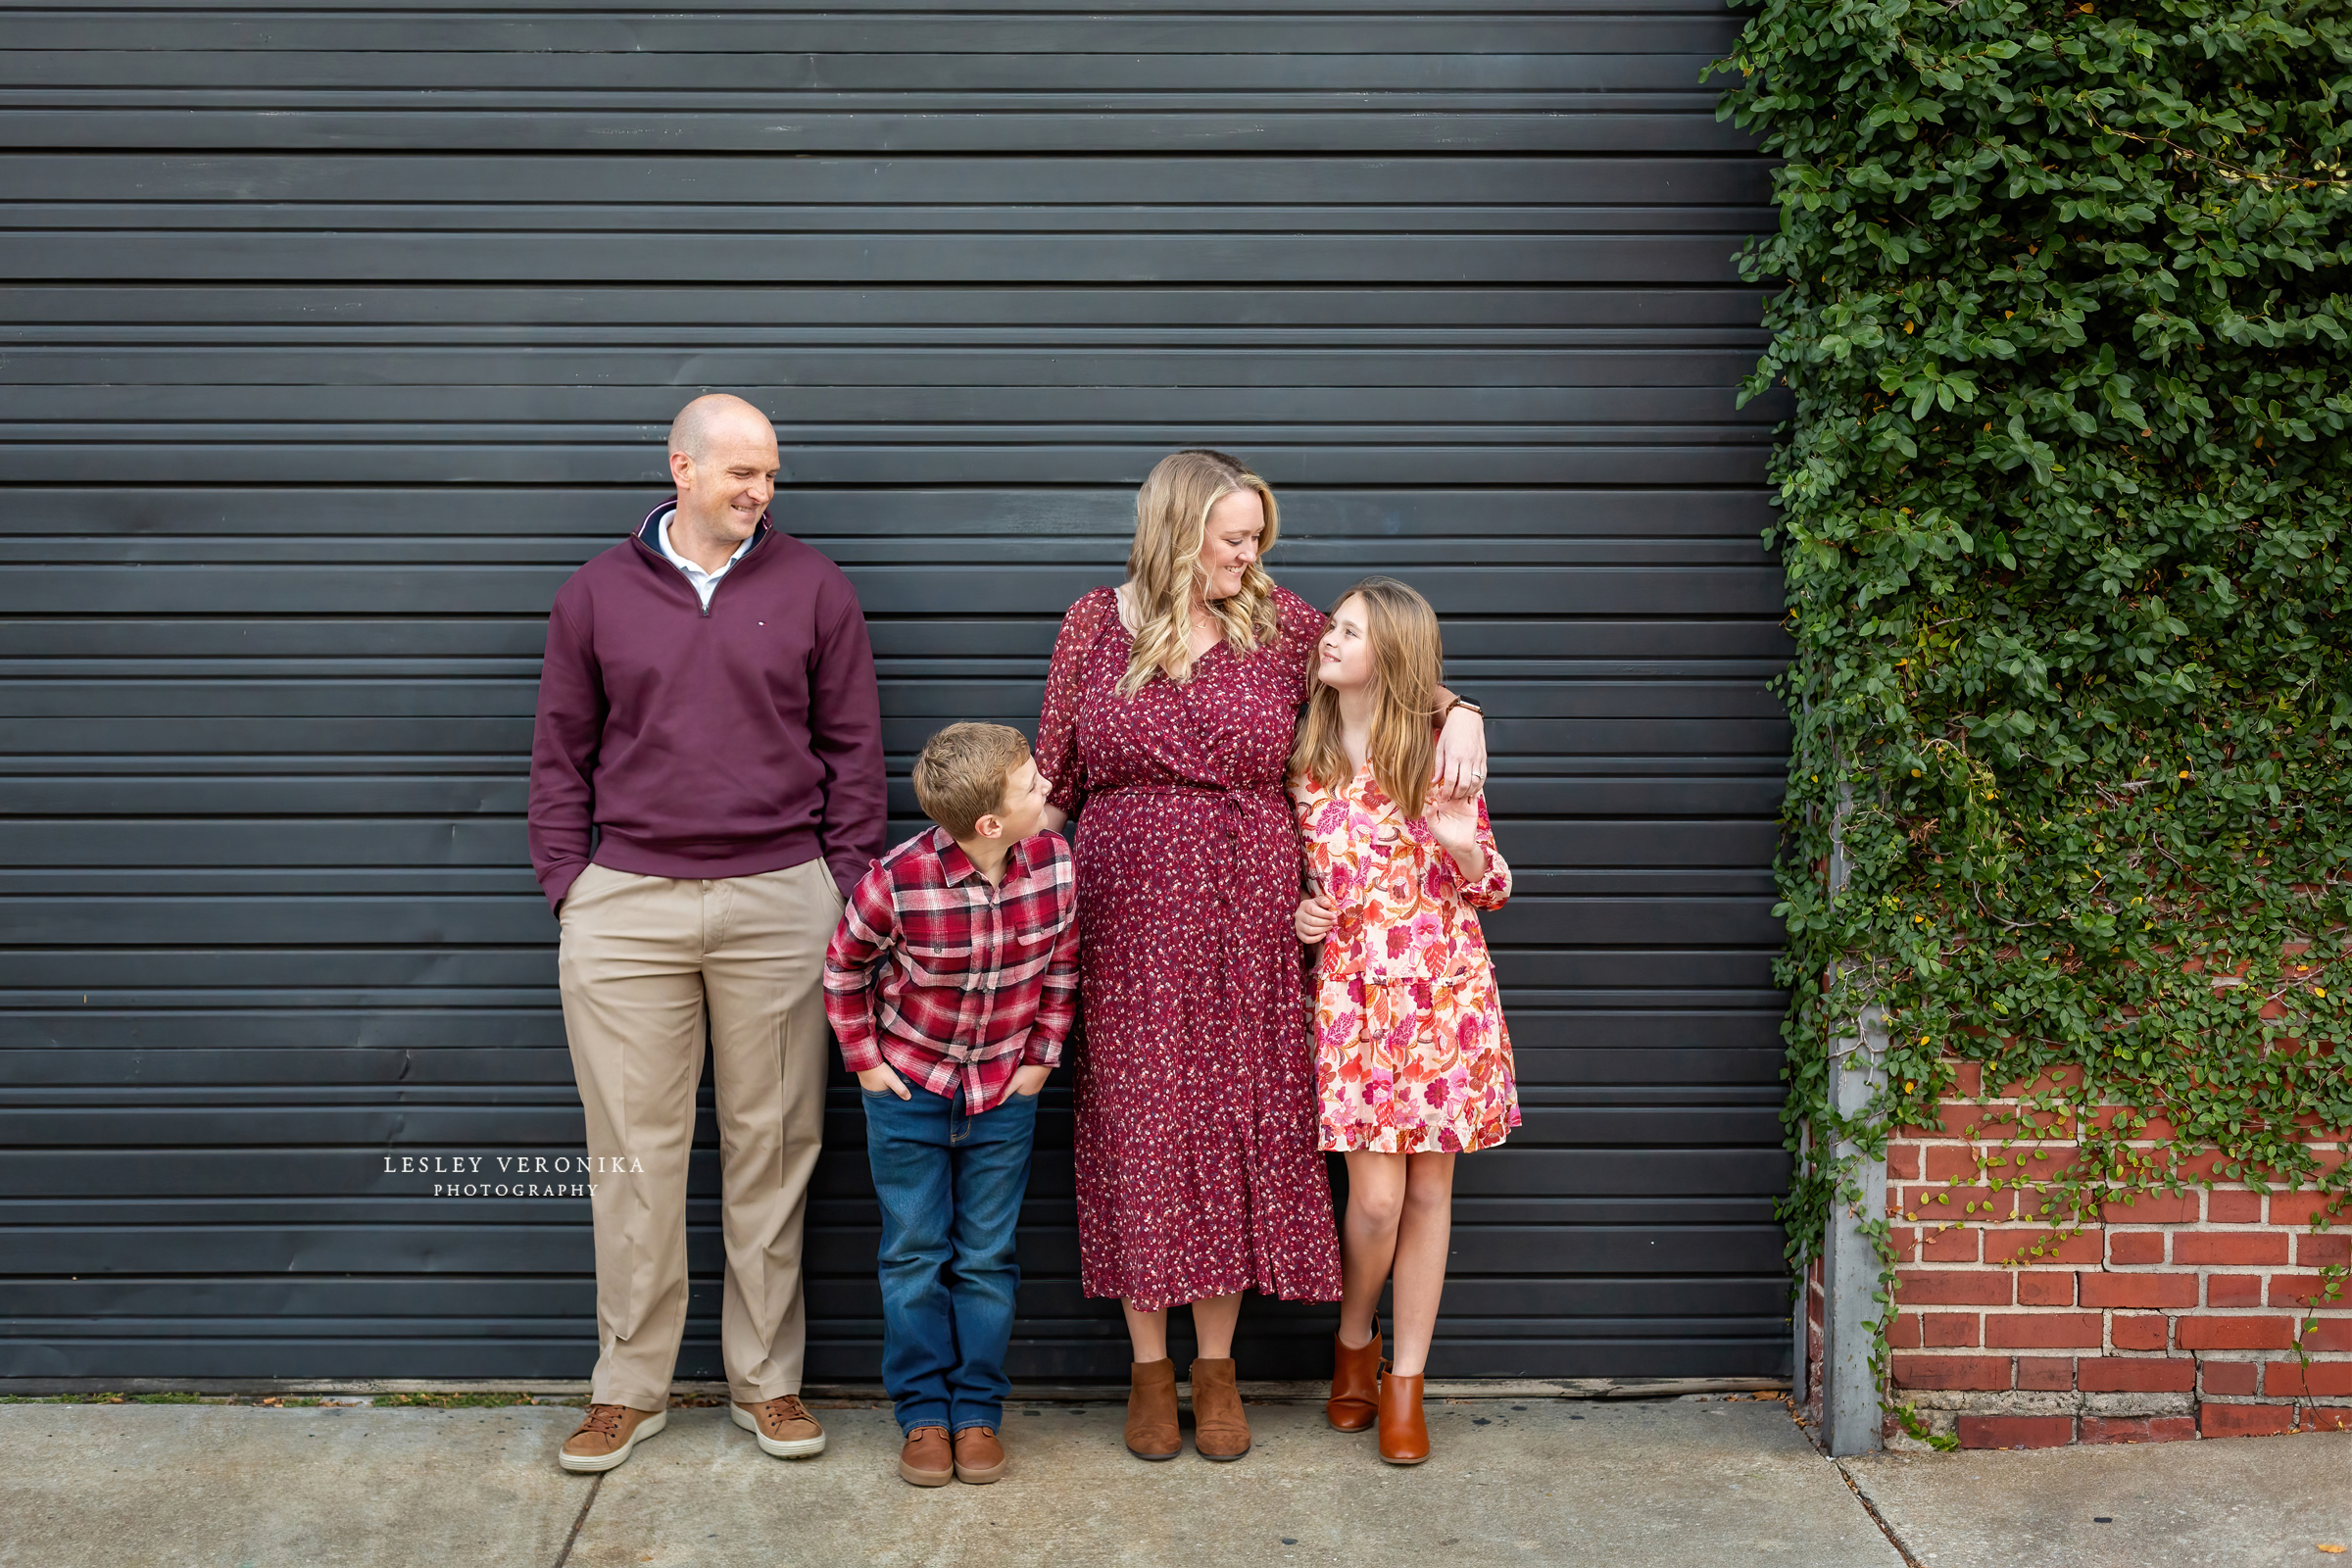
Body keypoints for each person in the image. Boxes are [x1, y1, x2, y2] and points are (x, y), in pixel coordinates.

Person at [1034, 449, 1489, 1462]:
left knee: (1238, 1121)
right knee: (1139, 1124)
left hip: (1252, 911)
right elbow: (1055, 775)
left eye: (1257, 536)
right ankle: (1150, 1370)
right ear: (1177, 531)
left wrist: (1464, 713)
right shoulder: (1091, 625)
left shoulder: (1282, 624)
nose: (1253, 552)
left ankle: (1216, 1367)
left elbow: (1395, 668)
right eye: (1236, 536)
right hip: (1128, 911)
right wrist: (997, 886)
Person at [528, 393, 887, 1473]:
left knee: (773, 1153)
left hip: (779, 898)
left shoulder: (814, 585)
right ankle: (628, 1387)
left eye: (770, 474)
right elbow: (560, 753)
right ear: (679, 467)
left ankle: (766, 1384)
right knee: (632, 1159)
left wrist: (845, 890)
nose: (759, 492)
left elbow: (855, 752)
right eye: (740, 473)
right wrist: (571, 888)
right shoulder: (596, 592)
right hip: (627, 901)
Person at [1291, 578, 1519, 1465]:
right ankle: (1354, 1339)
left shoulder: (1433, 749)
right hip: (1352, 997)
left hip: (1446, 992)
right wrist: (1302, 914)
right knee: (1376, 1203)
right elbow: (1289, 872)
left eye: (1349, 631)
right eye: (1335, 625)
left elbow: (1494, 887)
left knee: (1429, 1194)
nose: (1329, 639)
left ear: (1388, 654)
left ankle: (1405, 1384)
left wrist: (1462, 841)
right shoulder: (1300, 749)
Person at [821, 723, 1078, 1489]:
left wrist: (1040, 1061)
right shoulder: (895, 881)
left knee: (987, 1261)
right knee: (913, 1257)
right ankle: (923, 1415)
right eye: (1033, 786)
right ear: (990, 824)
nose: (1048, 793)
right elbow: (843, 970)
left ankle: (976, 1414)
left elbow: (1062, 967)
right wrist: (866, 1066)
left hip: (1004, 1094)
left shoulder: (1057, 865)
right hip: (911, 1094)